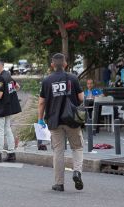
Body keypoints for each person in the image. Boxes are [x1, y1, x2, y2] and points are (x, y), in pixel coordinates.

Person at [38, 53, 84, 192]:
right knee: (77, 147)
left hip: (54, 120)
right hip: (72, 120)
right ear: (65, 64)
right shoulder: (73, 78)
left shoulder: (47, 81)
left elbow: (41, 103)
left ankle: (59, 183)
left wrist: (40, 119)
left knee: (58, 151)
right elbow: (81, 98)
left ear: (52, 65)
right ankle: (77, 172)